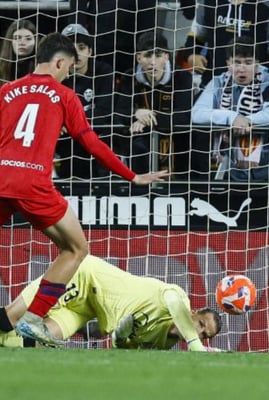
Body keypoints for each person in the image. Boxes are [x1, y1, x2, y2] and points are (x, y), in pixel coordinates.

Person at [0, 33, 168, 346]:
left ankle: (8, 319)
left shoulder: (7, 90)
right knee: (77, 249)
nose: (68, 74)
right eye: (68, 68)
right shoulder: (64, 95)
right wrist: (131, 176)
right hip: (33, 183)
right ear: (59, 62)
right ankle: (33, 320)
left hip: (1, 178)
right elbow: (91, 143)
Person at [0, 255, 222, 351]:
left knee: (36, 342)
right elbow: (173, 302)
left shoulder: (163, 343)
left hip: (85, 311)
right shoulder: (179, 299)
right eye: (201, 324)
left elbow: (121, 351)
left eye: (204, 335)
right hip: (83, 277)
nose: (199, 332)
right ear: (193, 313)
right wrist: (196, 346)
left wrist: (120, 337)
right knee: (13, 317)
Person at [191, 36, 269, 182]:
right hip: (232, 170)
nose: (242, 69)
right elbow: (197, 113)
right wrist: (232, 118)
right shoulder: (218, 82)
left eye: (248, 63)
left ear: (257, 64)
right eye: (236, 62)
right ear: (228, 64)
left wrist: (244, 122)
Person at [115, 31, 193, 178]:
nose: (152, 62)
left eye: (157, 56)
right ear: (138, 58)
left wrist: (146, 119)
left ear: (166, 57)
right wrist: (136, 112)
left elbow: (183, 117)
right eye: (147, 56)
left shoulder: (183, 77)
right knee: (136, 147)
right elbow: (119, 113)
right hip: (140, 141)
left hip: (177, 141)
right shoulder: (128, 77)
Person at [183, 0, 269, 88]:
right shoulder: (207, 3)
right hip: (212, 84)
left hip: (254, 89)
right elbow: (194, 38)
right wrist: (191, 55)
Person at [57, 23, 114, 179]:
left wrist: (68, 122)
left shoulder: (104, 72)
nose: (76, 53)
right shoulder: (55, 76)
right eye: (70, 48)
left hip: (96, 134)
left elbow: (104, 111)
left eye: (81, 48)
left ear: (90, 51)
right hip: (65, 141)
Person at [0, 20, 37, 86]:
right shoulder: (1, 68)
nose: (22, 43)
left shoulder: (43, 69)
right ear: (9, 41)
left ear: (35, 41)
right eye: (17, 38)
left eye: (28, 39)